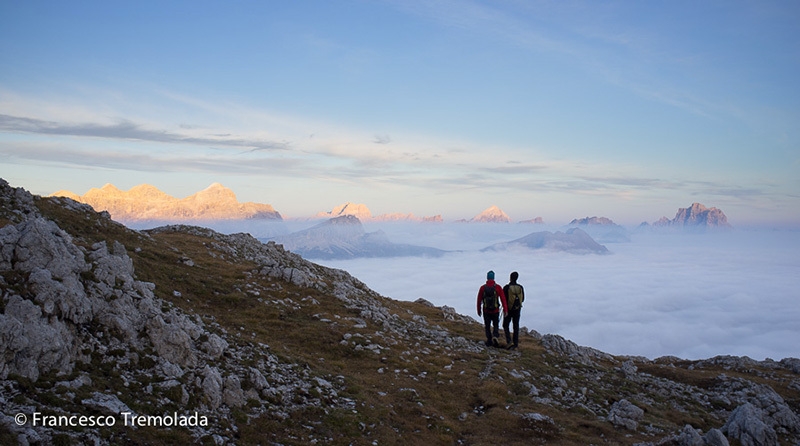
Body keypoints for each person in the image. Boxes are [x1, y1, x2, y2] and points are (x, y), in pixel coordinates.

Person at [476, 270, 508, 347]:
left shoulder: (482, 288)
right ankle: (495, 336)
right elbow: (503, 299)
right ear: (493, 278)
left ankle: (489, 340)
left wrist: (478, 310)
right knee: (496, 324)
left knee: (487, 325)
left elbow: (479, 300)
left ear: (487, 278)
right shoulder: (498, 287)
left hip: (486, 310)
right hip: (495, 310)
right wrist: (505, 310)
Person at [502, 271, 525, 349]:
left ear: (510, 277)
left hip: (508, 309)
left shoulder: (506, 287)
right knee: (516, 326)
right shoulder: (520, 287)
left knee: (505, 325)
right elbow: (523, 299)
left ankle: (509, 341)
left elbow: (503, 298)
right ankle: (515, 344)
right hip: (517, 309)